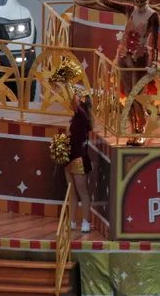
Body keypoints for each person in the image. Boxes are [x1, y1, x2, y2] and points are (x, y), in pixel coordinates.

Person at [103, 0, 159, 145]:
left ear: (146, 0)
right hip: (124, 56)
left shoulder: (153, 16)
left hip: (140, 59)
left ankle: (141, 128)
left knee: (137, 95)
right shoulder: (129, 10)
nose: (138, 4)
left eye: (141, 0)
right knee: (128, 95)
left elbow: (156, 43)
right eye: (136, 0)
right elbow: (107, 2)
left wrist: (154, 63)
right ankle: (133, 128)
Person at [65, 91, 93, 233]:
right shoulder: (75, 117)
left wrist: (67, 85)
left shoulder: (82, 116)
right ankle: (72, 221)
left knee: (83, 192)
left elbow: (75, 103)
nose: (71, 101)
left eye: (75, 99)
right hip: (69, 157)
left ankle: (86, 222)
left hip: (79, 158)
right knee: (71, 192)